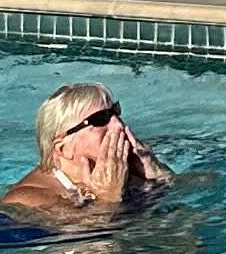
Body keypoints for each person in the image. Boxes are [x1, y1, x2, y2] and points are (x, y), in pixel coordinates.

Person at [4, 80, 174, 217]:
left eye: (115, 112)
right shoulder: (27, 200)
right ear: (63, 148)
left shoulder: (124, 170)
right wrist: (108, 199)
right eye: (100, 119)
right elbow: (89, 244)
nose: (118, 125)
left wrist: (158, 175)